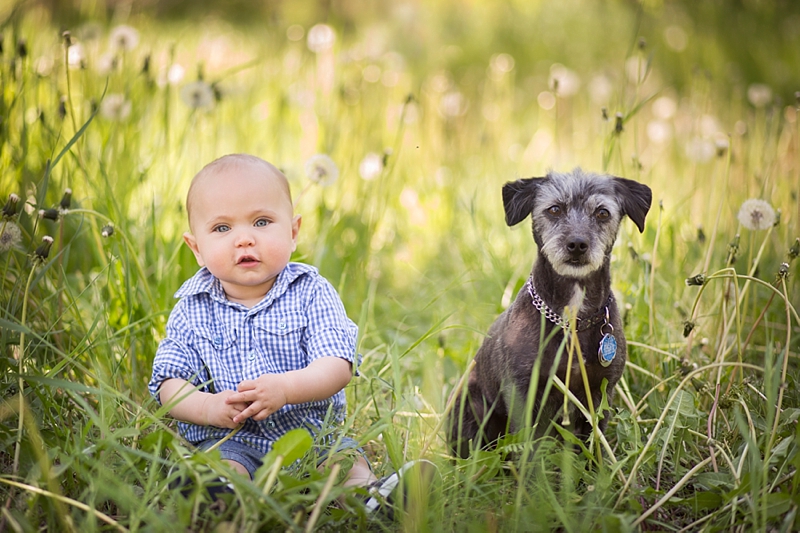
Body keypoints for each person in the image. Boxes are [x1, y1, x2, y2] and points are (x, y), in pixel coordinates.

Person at [149, 154, 423, 511]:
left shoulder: (312, 291)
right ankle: (218, 501)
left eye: (262, 222)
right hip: (229, 437)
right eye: (222, 229)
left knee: (341, 463)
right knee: (222, 467)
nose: (244, 239)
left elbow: (336, 366)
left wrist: (285, 388)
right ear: (197, 248)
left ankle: (372, 500)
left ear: (293, 232)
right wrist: (207, 406)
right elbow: (168, 382)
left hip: (312, 436)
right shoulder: (191, 308)